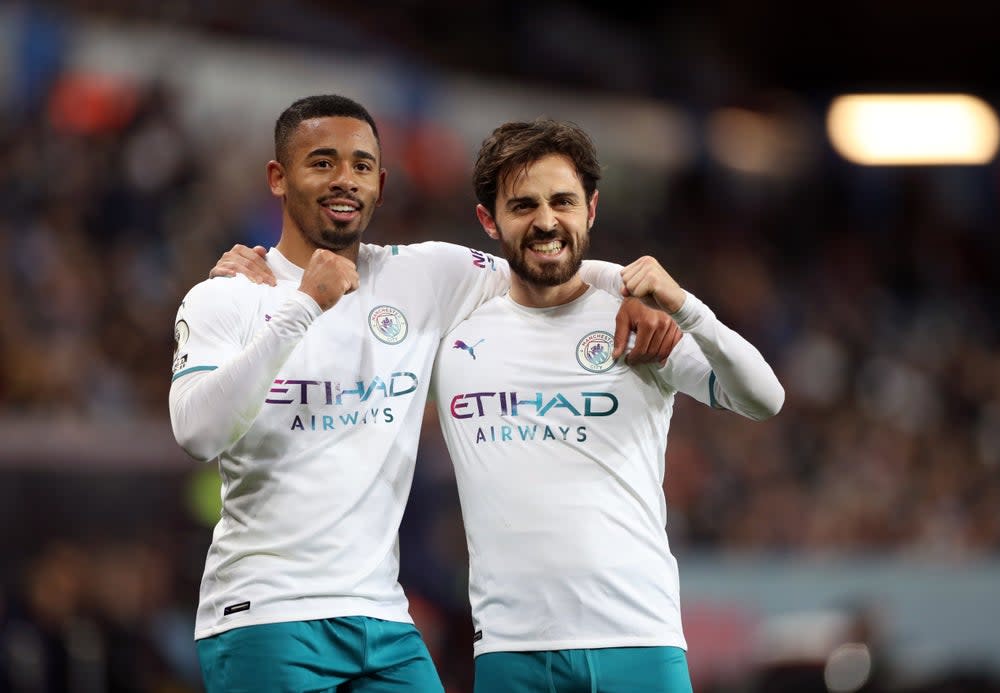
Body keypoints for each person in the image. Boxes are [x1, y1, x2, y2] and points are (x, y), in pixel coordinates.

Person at [169, 94, 680, 693]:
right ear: (278, 178)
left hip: (383, 618)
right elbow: (197, 434)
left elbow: (539, 260)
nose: (344, 180)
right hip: (265, 615)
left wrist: (628, 288)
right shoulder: (227, 297)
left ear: (381, 184)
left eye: (361, 166)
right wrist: (303, 306)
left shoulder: (425, 276)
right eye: (322, 162)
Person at [426, 118, 786, 692]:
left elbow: (765, 399)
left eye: (562, 201)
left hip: (639, 642)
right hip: (512, 650)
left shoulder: (642, 323)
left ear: (590, 209)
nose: (547, 221)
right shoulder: (450, 327)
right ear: (487, 220)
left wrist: (688, 308)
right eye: (523, 205)